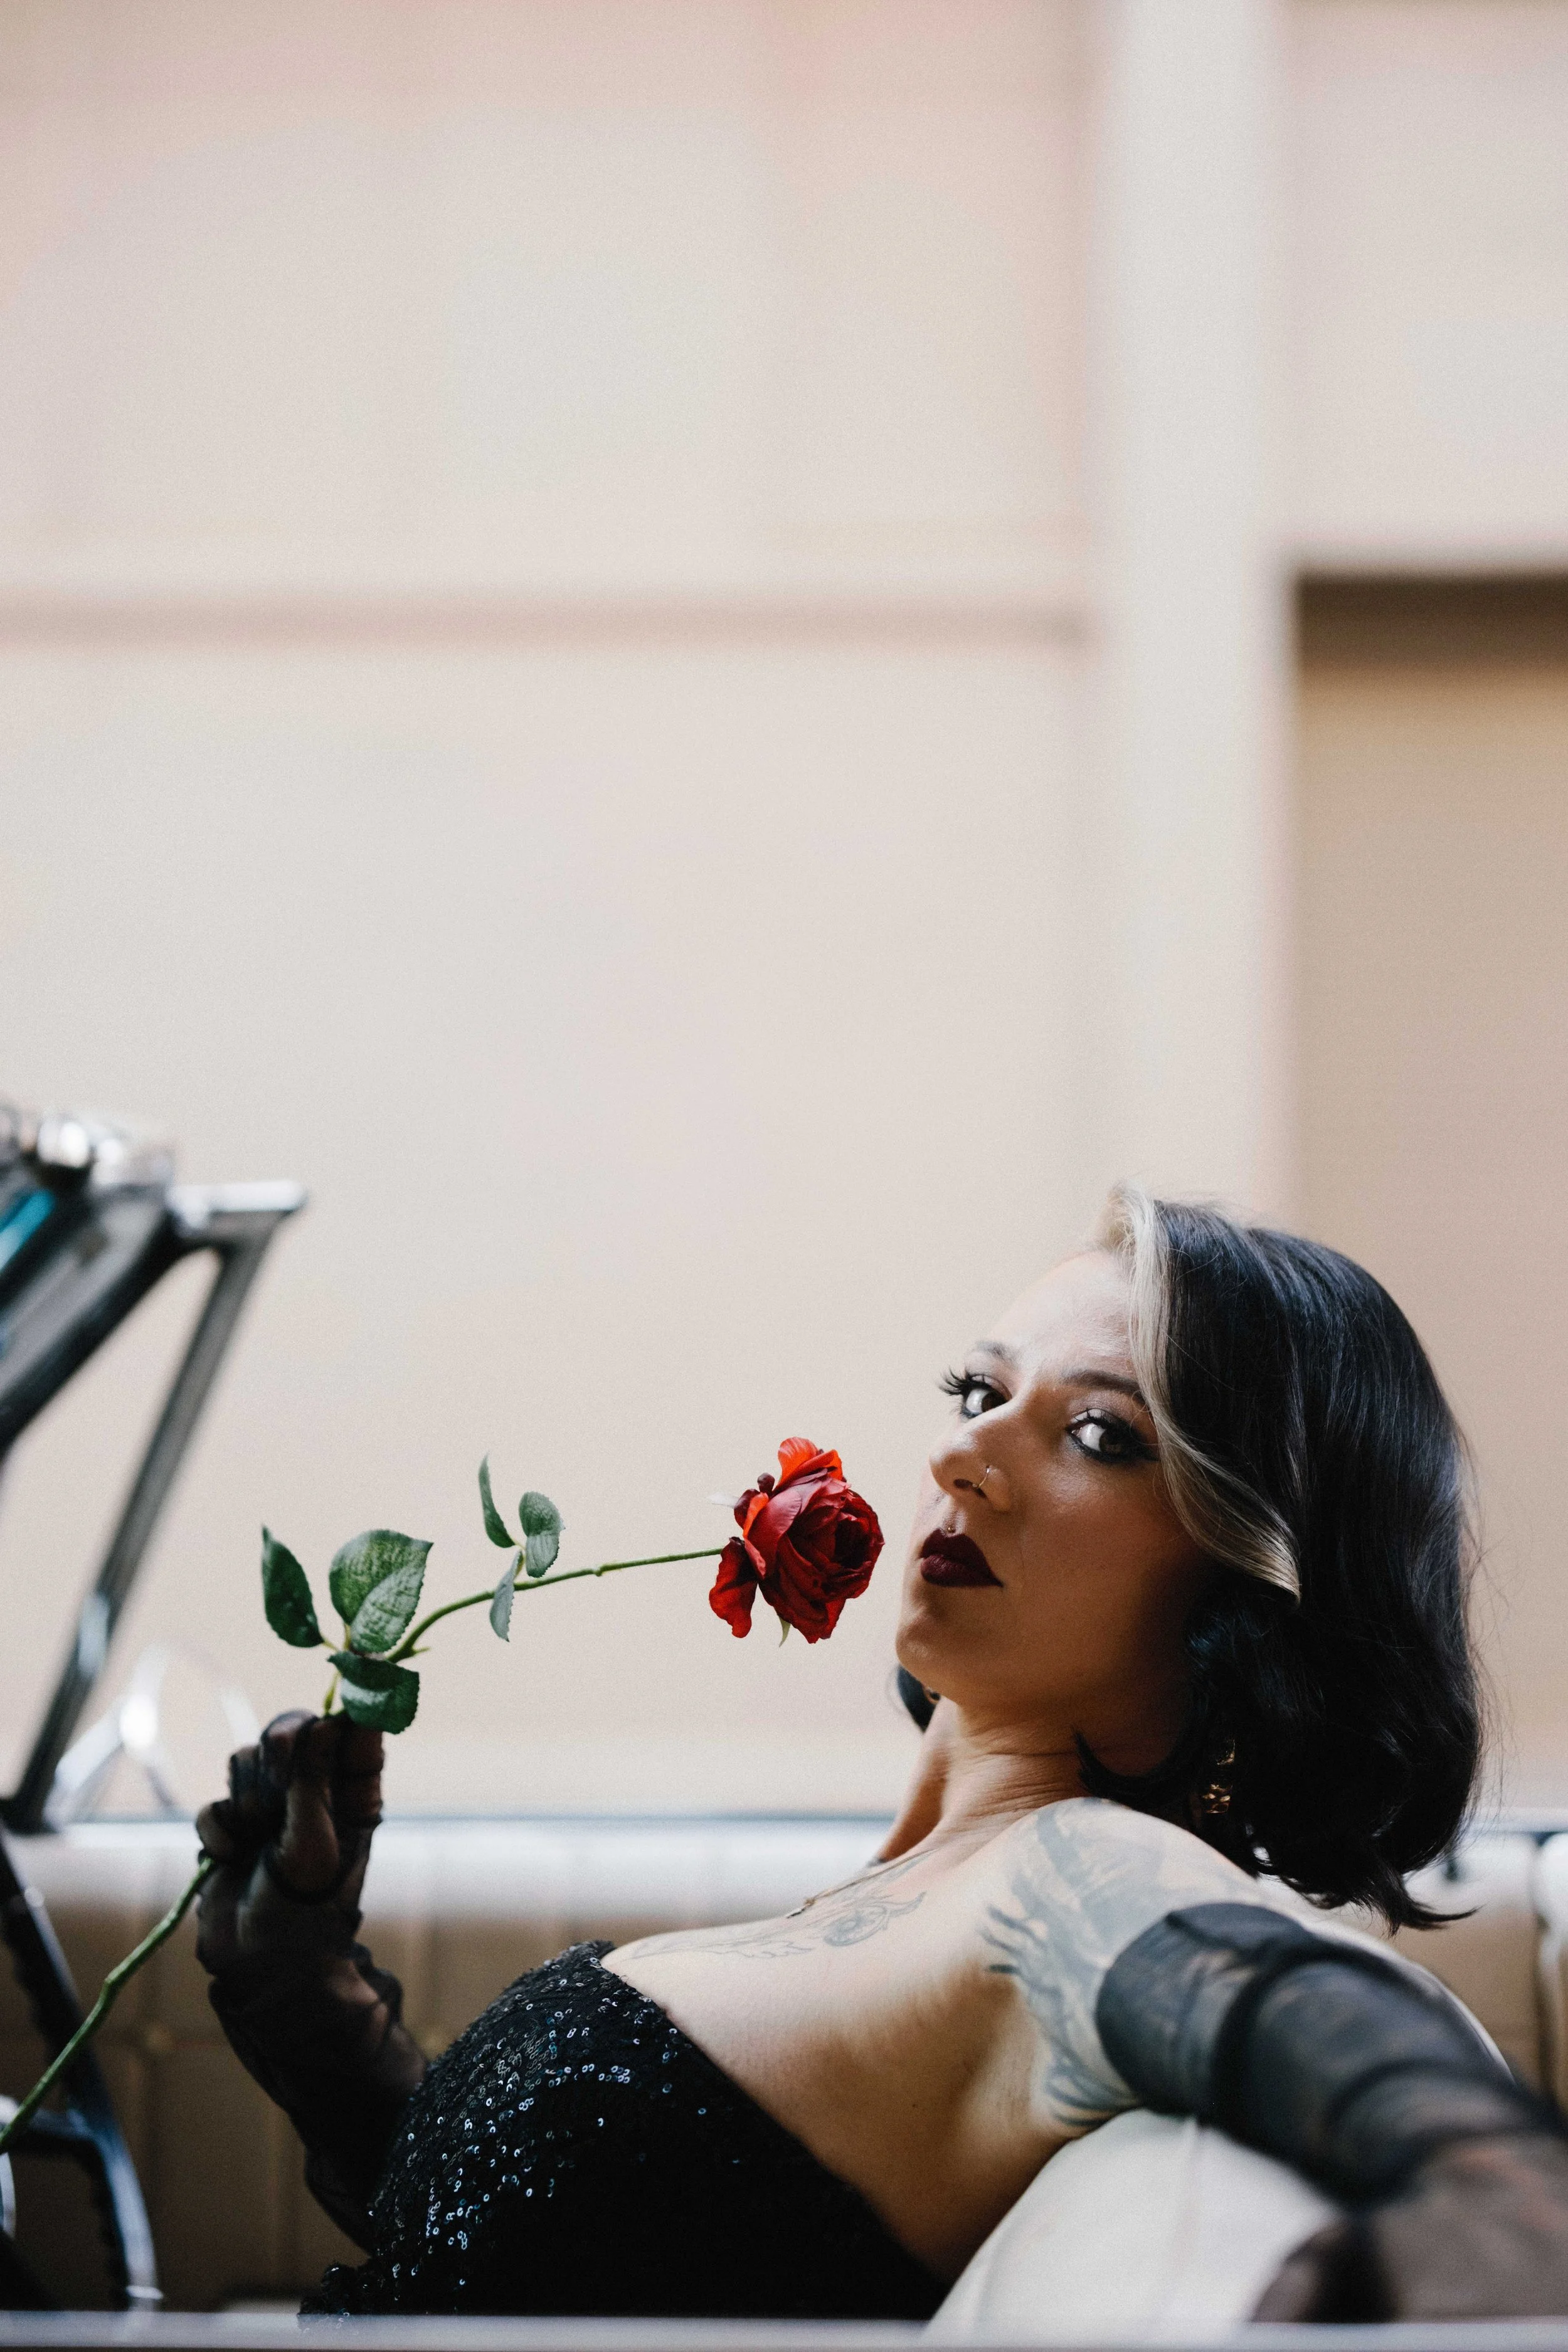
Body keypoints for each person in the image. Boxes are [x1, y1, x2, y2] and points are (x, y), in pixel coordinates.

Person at [195, 1187, 1568, 2321]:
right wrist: (302, 1993)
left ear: (1241, 1595)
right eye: (978, 1388)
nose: (964, 1449)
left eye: (1098, 1435)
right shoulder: (921, 1889)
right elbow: (526, 2265)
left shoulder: (1079, 1871)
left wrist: (1487, 2211)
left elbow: (1365, 2052)